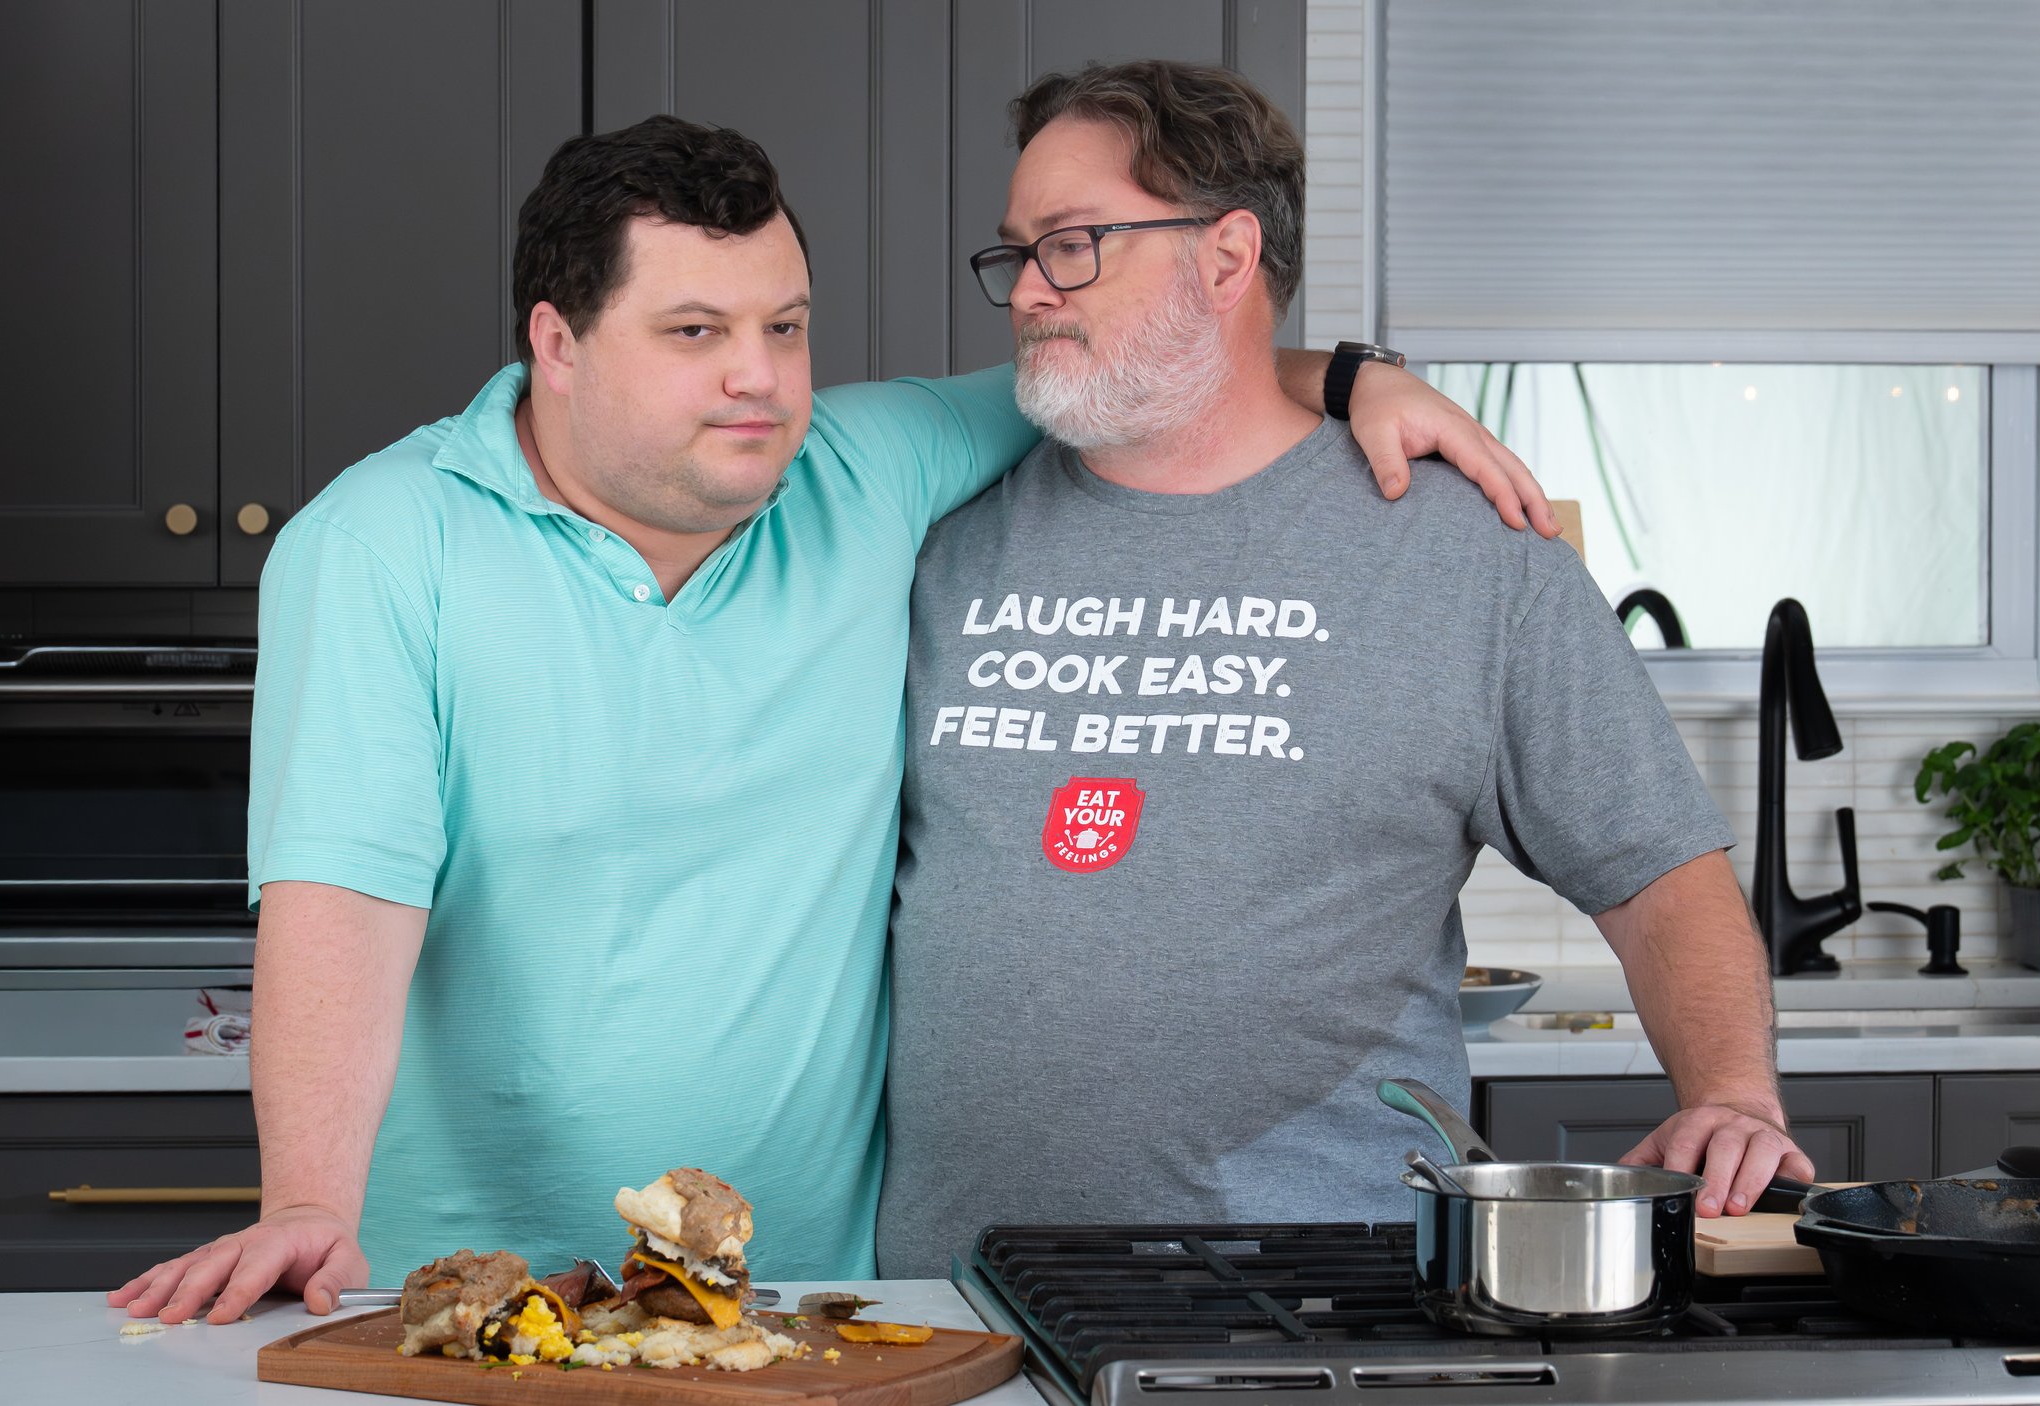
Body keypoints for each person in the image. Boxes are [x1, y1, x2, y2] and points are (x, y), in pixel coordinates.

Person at [108, 114, 1546, 1326]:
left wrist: (1354, 374)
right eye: (694, 331)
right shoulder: (379, 544)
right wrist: (304, 1194)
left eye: (785, 325)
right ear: (558, 339)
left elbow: (1154, 365)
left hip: (811, 1305)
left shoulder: (860, 471)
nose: (762, 377)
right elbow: (343, 899)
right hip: (466, 1288)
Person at [877, 60, 1811, 1277]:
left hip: (1316, 1303)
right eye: (1019, 253)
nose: (1027, 293)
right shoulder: (941, 531)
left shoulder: (1464, 555)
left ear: (1225, 257)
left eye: (1072, 246)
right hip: (951, 1316)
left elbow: (1656, 874)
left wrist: (1734, 1090)